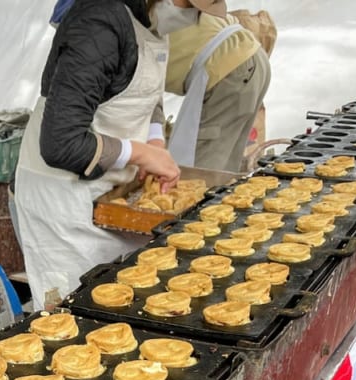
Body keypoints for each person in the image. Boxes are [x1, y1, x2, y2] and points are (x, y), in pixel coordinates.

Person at [14, 0, 228, 310]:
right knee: (75, 317)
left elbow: (147, 95)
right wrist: (138, 153)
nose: (194, 15)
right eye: (189, 3)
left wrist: (155, 141)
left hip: (114, 197)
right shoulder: (98, 24)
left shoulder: (150, 22)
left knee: (123, 305)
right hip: (66, 204)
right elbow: (60, 142)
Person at [165, 3, 271, 172]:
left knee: (200, 171)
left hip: (230, 69)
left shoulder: (132, 17)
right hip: (247, 56)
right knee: (224, 166)